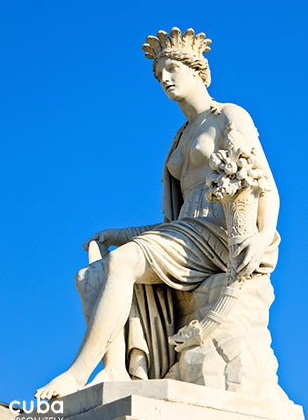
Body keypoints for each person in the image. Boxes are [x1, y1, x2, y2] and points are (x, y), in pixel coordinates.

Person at [35, 27, 281, 400]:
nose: (164, 79)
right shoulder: (180, 137)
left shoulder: (229, 116)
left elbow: (266, 187)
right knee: (90, 275)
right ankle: (115, 369)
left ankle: (76, 373)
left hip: (217, 234)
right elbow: (174, 224)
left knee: (124, 263)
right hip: (185, 235)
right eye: (158, 74)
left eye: (171, 70)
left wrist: (262, 237)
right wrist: (118, 233)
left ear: (198, 72)